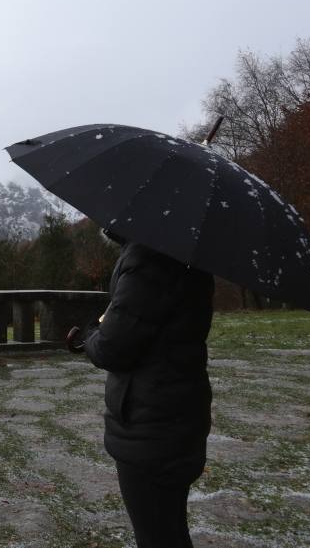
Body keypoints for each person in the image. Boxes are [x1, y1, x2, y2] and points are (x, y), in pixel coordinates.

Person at [67, 229, 214, 548]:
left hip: (149, 425)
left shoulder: (148, 260)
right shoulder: (190, 256)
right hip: (181, 415)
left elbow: (113, 348)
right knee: (170, 530)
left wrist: (91, 334)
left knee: (156, 536)